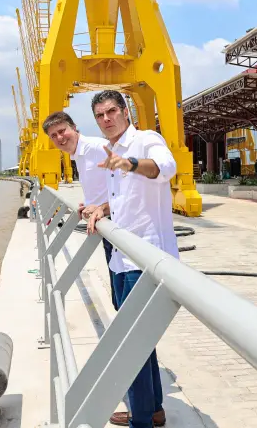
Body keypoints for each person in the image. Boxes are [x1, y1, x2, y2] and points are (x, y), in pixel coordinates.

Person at [84, 90, 174, 428]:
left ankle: (141, 421)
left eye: (111, 112)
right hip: (122, 259)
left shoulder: (146, 140)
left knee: (129, 345)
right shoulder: (112, 152)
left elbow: (165, 168)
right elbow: (124, 199)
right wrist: (101, 209)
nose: (106, 119)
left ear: (125, 112)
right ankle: (152, 410)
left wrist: (130, 163)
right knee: (142, 341)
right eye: (99, 116)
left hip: (144, 259)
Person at [41, 110, 118, 310]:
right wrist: (90, 202)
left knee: (128, 301)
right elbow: (105, 184)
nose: (59, 138)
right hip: (106, 224)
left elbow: (130, 185)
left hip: (120, 224)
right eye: (53, 135)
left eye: (62, 130)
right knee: (120, 299)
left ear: (74, 128)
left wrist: (102, 207)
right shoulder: (79, 155)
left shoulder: (98, 148)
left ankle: (141, 342)